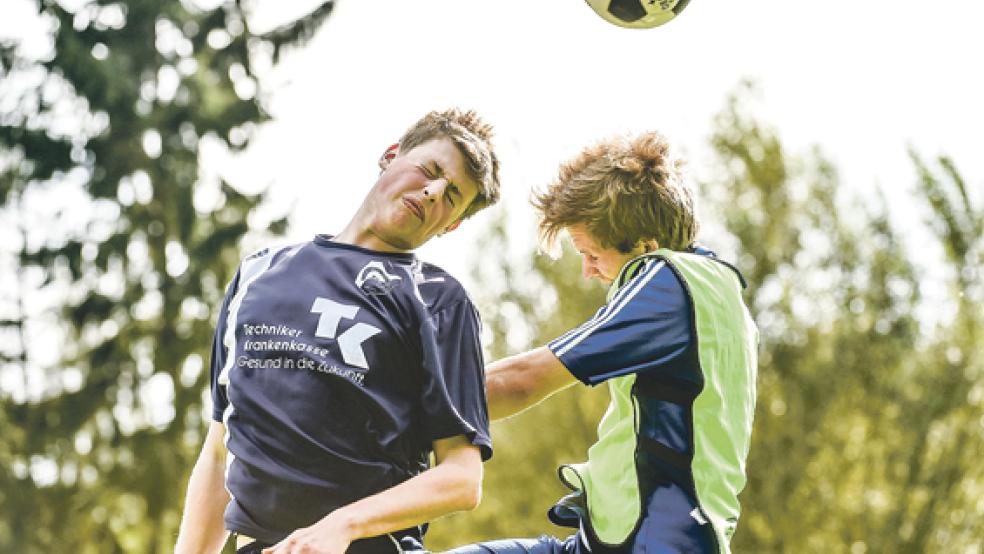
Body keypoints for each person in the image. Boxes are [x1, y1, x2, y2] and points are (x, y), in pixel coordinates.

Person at [174, 108, 501, 554]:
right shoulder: (258, 273)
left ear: (452, 224)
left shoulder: (439, 300)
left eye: (452, 196)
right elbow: (218, 453)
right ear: (390, 156)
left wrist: (342, 526)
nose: (432, 192)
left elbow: (462, 478)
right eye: (430, 170)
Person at [450, 132, 758, 554]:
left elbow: (526, 379)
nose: (588, 272)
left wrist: (406, 405)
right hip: (617, 540)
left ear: (646, 247)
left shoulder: (667, 281)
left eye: (591, 254)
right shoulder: (716, 292)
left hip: (658, 541)